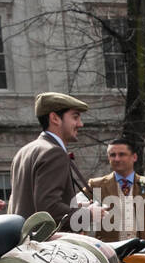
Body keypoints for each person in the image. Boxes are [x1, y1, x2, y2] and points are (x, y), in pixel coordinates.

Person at [9, 92, 104, 230]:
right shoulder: (54, 152)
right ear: (54, 118)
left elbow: (31, 203)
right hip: (47, 246)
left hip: (26, 243)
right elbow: (48, 209)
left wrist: (76, 207)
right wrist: (88, 214)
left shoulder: (24, 151)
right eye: (75, 117)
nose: (80, 124)